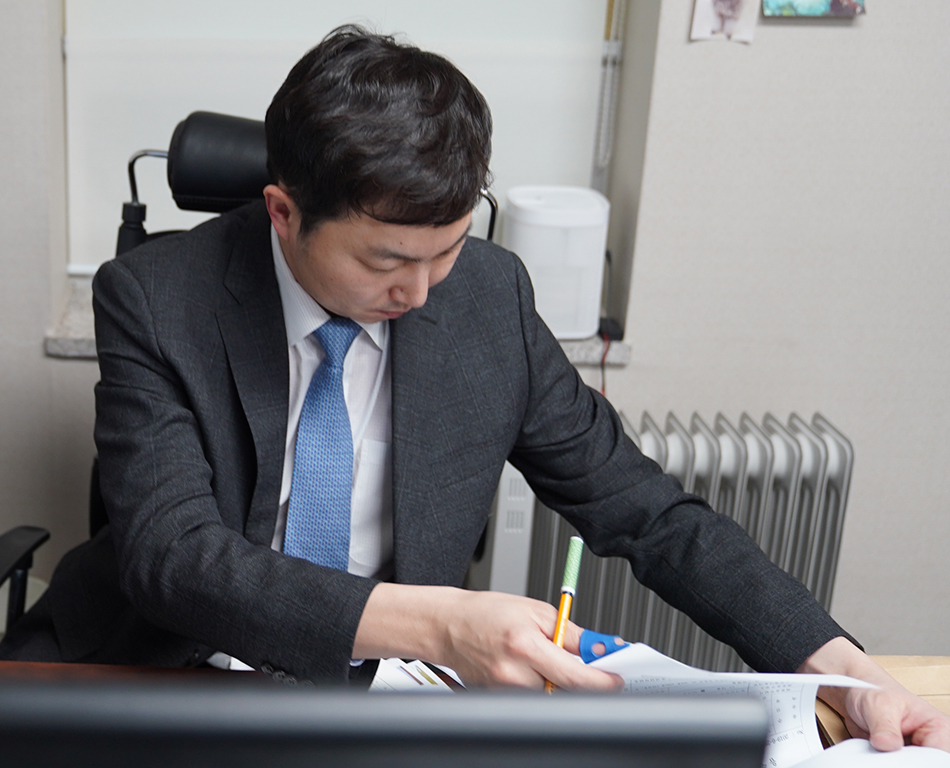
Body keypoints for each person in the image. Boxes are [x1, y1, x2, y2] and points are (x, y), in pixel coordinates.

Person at [2, 25, 947, 753]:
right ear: (283, 213)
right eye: (385, 262)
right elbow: (174, 559)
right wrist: (443, 622)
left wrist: (844, 669)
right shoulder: (156, 296)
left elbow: (650, 512)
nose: (419, 294)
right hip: (161, 670)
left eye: (446, 250)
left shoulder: (488, 298)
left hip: (372, 690)